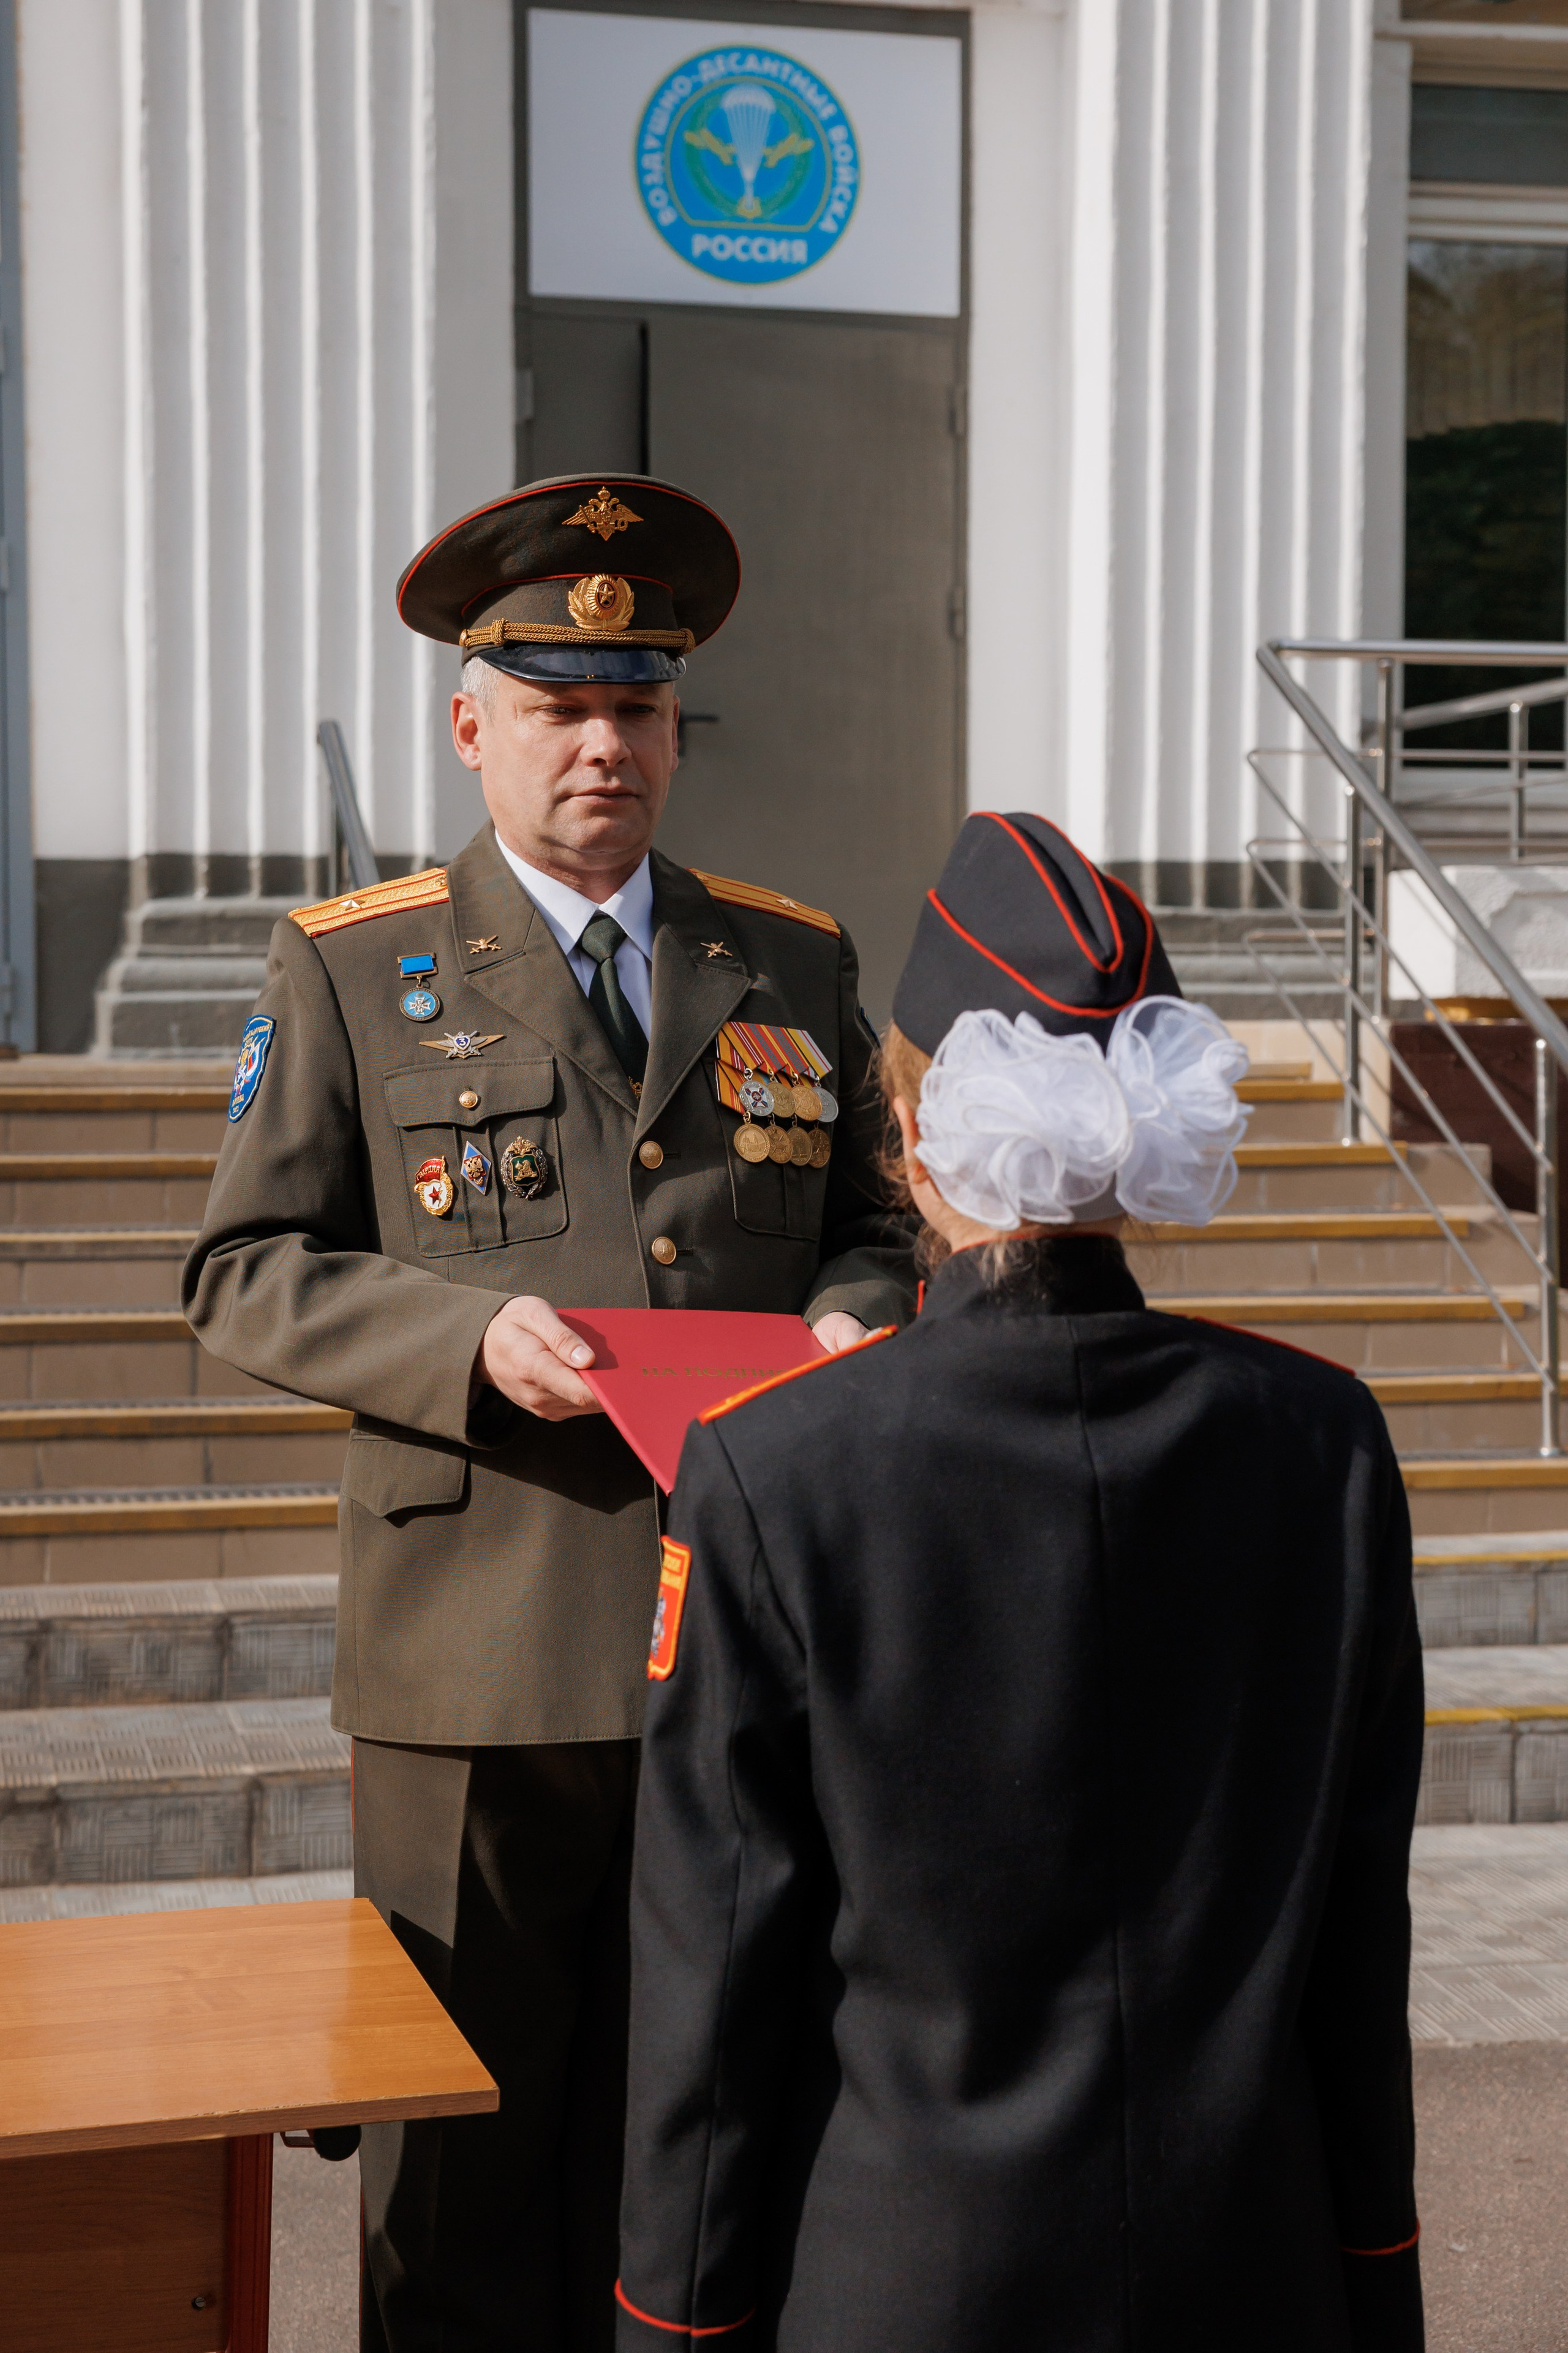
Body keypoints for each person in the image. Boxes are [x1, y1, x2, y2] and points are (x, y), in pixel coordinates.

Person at [182, 472, 916, 2353]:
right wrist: (465, 1339)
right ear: (471, 723)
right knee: (460, 2169)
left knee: (705, 2129)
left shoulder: (791, 960)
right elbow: (244, 1269)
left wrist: (850, 1336)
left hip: (736, 1652)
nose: (604, 745)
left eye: (639, 707)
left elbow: (871, 1230)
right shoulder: (355, 965)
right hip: (478, 1662)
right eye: (559, 707)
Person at [615, 810, 1425, 2353]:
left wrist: (677, 2328)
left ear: (906, 1134)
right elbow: (1352, 1941)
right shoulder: (1319, 1437)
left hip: (912, 2280)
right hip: (1253, 2275)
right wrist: (1373, 2281)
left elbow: (714, 1980)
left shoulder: (772, 1468)